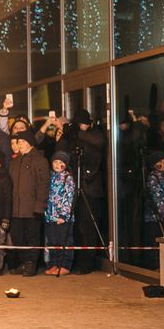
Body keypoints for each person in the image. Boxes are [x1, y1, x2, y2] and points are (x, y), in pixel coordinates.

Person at [57, 109, 107, 275]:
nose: (81, 127)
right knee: (75, 228)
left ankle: (87, 263)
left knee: (88, 227)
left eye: (83, 124)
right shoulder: (72, 137)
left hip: (91, 188)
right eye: (78, 124)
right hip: (73, 187)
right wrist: (66, 134)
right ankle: (73, 261)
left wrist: (78, 134)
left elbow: (98, 145)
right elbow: (61, 153)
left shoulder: (95, 135)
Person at [9, 130, 49, 276]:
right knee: (17, 237)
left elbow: (43, 185)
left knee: (32, 236)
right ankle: (23, 262)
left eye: (20, 141)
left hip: (32, 208)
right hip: (16, 208)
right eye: (17, 142)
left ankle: (31, 263)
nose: (18, 144)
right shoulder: (15, 161)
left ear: (29, 143)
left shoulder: (39, 160)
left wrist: (40, 206)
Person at [45, 152, 76, 276]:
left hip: (63, 217)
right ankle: (54, 264)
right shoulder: (51, 176)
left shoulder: (67, 178)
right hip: (50, 215)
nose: (58, 165)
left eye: (61, 163)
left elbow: (69, 198)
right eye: (55, 162)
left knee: (64, 240)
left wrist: (63, 215)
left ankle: (65, 265)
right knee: (52, 241)